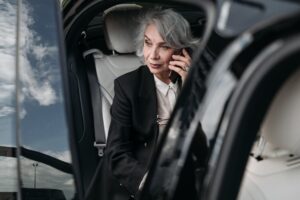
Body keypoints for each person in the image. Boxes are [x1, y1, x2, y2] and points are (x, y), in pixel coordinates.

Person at [105, 8, 208, 200]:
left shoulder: (196, 81)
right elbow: (116, 152)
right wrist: (148, 183)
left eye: (164, 46)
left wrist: (187, 94)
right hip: (143, 178)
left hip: (187, 177)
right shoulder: (128, 86)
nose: (152, 55)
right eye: (147, 43)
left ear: (180, 50)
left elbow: (202, 150)